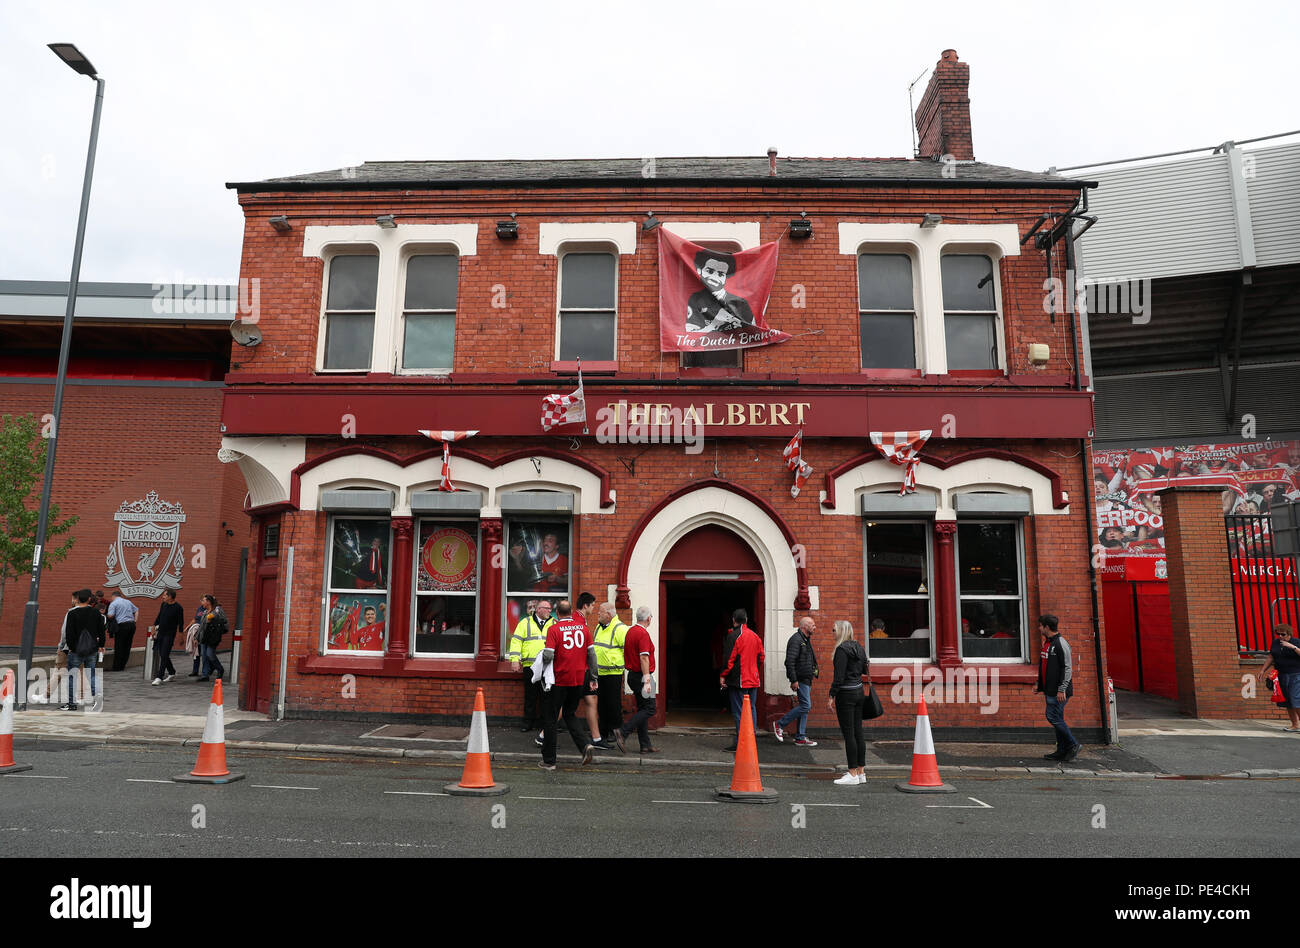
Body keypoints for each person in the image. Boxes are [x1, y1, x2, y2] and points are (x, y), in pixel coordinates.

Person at [536, 598, 597, 769]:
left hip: (559, 680)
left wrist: (541, 659)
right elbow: (592, 656)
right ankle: (585, 745)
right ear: (570, 612)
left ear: (557, 613)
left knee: (551, 718)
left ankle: (549, 761)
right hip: (579, 679)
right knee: (570, 713)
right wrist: (593, 678)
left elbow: (548, 655)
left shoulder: (554, 629)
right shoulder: (584, 629)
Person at [1032, 614, 1080, 761]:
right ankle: (1061, 750)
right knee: (1057, 718)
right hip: (1050, 690)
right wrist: (1039, 685)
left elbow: (1067, 668)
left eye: (1040, 625)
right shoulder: (1047, 643)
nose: (1039, 628)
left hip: (1059, 691)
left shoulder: (1061, 643)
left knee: (1052, 716)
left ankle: (1073, 744)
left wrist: (1062, 689)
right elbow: (1045, 667)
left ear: (1046, 627)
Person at [827, 620, 868, 785]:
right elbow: (865, 669)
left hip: (846, 694)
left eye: (834, 630)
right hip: (859, 691)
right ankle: (861, 772)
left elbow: (838, 678)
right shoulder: (858, 647)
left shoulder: (841, 650)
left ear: (841, 631)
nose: (832, 633)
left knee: (849, 734)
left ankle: (852, 774)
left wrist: (831, 696)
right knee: (858, 732)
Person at [613, 605, 658, 753]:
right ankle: (623, 732)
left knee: (643, 708)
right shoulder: (643, 634)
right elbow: (644, 657)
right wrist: (647, 680)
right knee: (650, 708)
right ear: (649, 618)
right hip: (642, 676)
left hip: (632, 675)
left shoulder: (630, 631)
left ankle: (645, 745)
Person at [719, 608, 764, 751]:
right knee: (751, 709)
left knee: (739, 712)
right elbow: (761, 657)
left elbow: (729, 660)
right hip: (753, 679)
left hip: (739, 680)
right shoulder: (755, 636)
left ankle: (742, 743)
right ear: (746, 620)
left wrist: (723, 675)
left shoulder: (734, 636)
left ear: (734, 620)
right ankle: (752, 740)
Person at [507, 599, 552, 732]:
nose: (550, 611)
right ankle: (528, 723)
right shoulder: (525, 622)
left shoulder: (554, 623)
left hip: (548, 666)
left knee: (547, 696)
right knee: (530, 695)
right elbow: (516, 641)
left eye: (550, 609)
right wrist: (515, 659)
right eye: (547, 608)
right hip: (530, 665)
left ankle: (545, 724)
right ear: (539, 609)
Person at [685, 249, 755, 332]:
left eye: (721, 274)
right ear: (699, 271)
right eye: (710, 271)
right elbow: (690, 332)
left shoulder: (740, 303)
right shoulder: (694, 299)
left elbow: (752, 331)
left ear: (726, 277)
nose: (715, 277)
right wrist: (712, 327)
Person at [773, 616, 818, 747]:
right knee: (805, 706)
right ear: (805, 626)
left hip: (807, 679)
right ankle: (779, 724)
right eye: (812, 625)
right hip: (801, 679)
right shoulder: (796, 640)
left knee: (805, 708)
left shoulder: (805, 639)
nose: (815, 627)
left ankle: (800, 737)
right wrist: (793, 680)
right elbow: (789, 661)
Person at [574, 593, 611, 749]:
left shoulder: (581, 620)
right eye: (593, 605)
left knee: (591, 700)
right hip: (579, 671)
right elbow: (589, 653)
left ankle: (596, 739)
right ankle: (543, 735)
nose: (594, 608)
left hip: (584, 670)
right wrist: (593, 675)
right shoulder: (578, 623)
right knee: (565, 705)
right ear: (585, 606)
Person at [61, 589, 106, 711]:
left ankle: (72, 703)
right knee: (91, 674)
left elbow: (69, 633)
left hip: (75, 650)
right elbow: (101, 631)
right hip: (92, 649)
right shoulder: (96, 613)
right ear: (89, 599)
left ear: (77, 599)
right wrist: (101, 645)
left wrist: (71, 647)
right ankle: (97, 696)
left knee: (72, 676)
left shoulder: (72, 613)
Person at [593, 601, 629, 745]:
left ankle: (615, 731)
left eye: (600, 612)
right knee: (601, 704)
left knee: (613, 704)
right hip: (599, 672)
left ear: (608, 615)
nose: (598, 614)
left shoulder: (620, 629)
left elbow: (627, 650)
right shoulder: (598, 627)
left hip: (613, 672)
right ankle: (603, 732)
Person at [1258, 623, 1300, 731]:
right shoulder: (1276, 643)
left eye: (1283, 634)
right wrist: (1263, 670)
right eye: (1278, 634)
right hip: (1281, 674)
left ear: (1289, 634)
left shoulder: (1296, 642)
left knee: (1296, 699)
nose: (1280, 636)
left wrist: (1293, 647)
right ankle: (1295, 724)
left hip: (1295, 674)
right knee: (1287, 700)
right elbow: (1271, 656)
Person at [150, 589, 185, 685]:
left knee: (164, 654)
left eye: (164, 595)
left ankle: (159, 677)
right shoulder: (163, 605)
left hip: (170, 634)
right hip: (161, 632)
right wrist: (153, 626)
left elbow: (181, 623)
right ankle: (172, 672)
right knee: (163, 654)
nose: (163, 597)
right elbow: (159, 617)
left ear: (170, 596)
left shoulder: (178, 608)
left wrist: (181, 636)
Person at [197, 595, 227, 682]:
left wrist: (213, 618)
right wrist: (197, 637)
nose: (202, 603)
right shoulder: (205, 611)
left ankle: (219, 669)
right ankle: (205, 674)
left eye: (203, 601)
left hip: (212, 636)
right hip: (204, 636)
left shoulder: (217, 610)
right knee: (204, 655)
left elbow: (223, 621)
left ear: (208, 602)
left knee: (210, 654)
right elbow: (201, 626)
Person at [107, 590, 139, 672]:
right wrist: (135, 620)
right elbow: (136, 610)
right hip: (131, 625)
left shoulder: (114, 603)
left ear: (113, 596)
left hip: (122, 626)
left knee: (119, 646)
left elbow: (110, 615)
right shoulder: (128, 601)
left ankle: (117, 667)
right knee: (127, 646)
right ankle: (123, 666)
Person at [188, 601, 207, 676]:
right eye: (201, 601)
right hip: (197, 632)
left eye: (203, 601)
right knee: (196, 651)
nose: (202, 602)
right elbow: (195, 619)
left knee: (205, 653)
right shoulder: (199, 608)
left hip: (204, 633)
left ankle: (206, 672)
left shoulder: (208, 610)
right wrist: (187, 627)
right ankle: (195, 670)